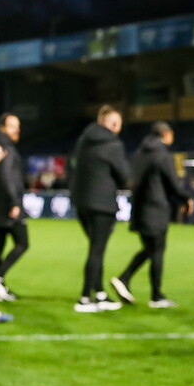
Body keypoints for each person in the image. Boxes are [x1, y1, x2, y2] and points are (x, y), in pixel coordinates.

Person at [110, 122, 194, 309]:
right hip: (156, 209)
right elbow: (172, 183)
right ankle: (156, 295)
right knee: (156, 250)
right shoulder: (162, 155)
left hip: (139, 208)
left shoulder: (139, 154)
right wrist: (186, 199)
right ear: (165, 134)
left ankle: (125, 279)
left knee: (150, 248)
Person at [70, 105, 130, 313]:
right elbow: (124, 176)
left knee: (96, 249)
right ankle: (85, 298)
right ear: (113, 124)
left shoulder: (83, 140)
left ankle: (100, 293)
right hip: (102, 203)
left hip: (81, 202)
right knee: (97, 250)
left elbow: (73, 165)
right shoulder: (113, 144)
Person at [0, 114, 27, 302]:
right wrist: (15, 202)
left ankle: (0, 286)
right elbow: (8, 178)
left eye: (18, 126)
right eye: (12, 126)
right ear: (2, 127)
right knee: (23, 243)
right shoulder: (5, 147)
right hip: (7, 206)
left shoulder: (3, 146)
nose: (17, 130)